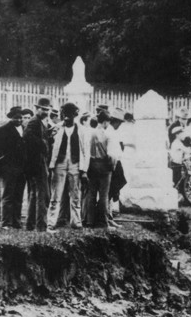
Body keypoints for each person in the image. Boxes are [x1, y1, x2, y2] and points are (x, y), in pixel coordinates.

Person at [47, 102, 89, 231]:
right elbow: (49, 145)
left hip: (75, 164)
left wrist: (84, 170)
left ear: (74, 115)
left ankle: (76, 222)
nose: (66, 117)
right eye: (64, 114)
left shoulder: (82, 130)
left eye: (69, 115)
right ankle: (51, 222)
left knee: (75, 194)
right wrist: (51, 165)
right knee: (56, 195)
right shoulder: (57, 128)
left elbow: (85, 151)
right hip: (59, 164)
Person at [0, 106, 27, 229]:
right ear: (11, 117)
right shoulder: (3, 129)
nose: (19, 120)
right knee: (8, 195)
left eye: (21, 118)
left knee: (19, 195)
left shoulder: (25, 129)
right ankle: (6, 222)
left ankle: (16, 221)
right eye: (16, 118)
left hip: (22, 167)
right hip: (9, 167)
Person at [84, 107, 121, 229]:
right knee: (104, 196)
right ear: (105, 122)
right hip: (104, 166)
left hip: (91, 165)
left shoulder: (90, 133)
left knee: (91, 194)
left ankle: (89, 222)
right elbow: (111, 155)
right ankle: (103, 222)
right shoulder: (107, 134)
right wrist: (112, 166)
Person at [23, 98, 52, 231]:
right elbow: (28, 138)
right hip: (37, 163)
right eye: (43, 109)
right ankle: (41, 226)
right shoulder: (34, 122)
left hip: (36, 163)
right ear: (37, 109)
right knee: (43, 195)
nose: (46, 111)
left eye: (47, 109)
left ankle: (31, 224)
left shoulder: (39, 122)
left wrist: (48, 136)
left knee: (35, 195)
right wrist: (44, 143)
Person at [169, 125, 191, 198]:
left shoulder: (178, 142)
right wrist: (190, 149)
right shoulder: (177, 143)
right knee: (177, 181)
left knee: (179, 181)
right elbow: (186, 150)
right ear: (177, 135)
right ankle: (180, 197)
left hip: (177, 164)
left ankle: (183, 197)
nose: (183, 135)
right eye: (181, 134)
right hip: (175, 164)